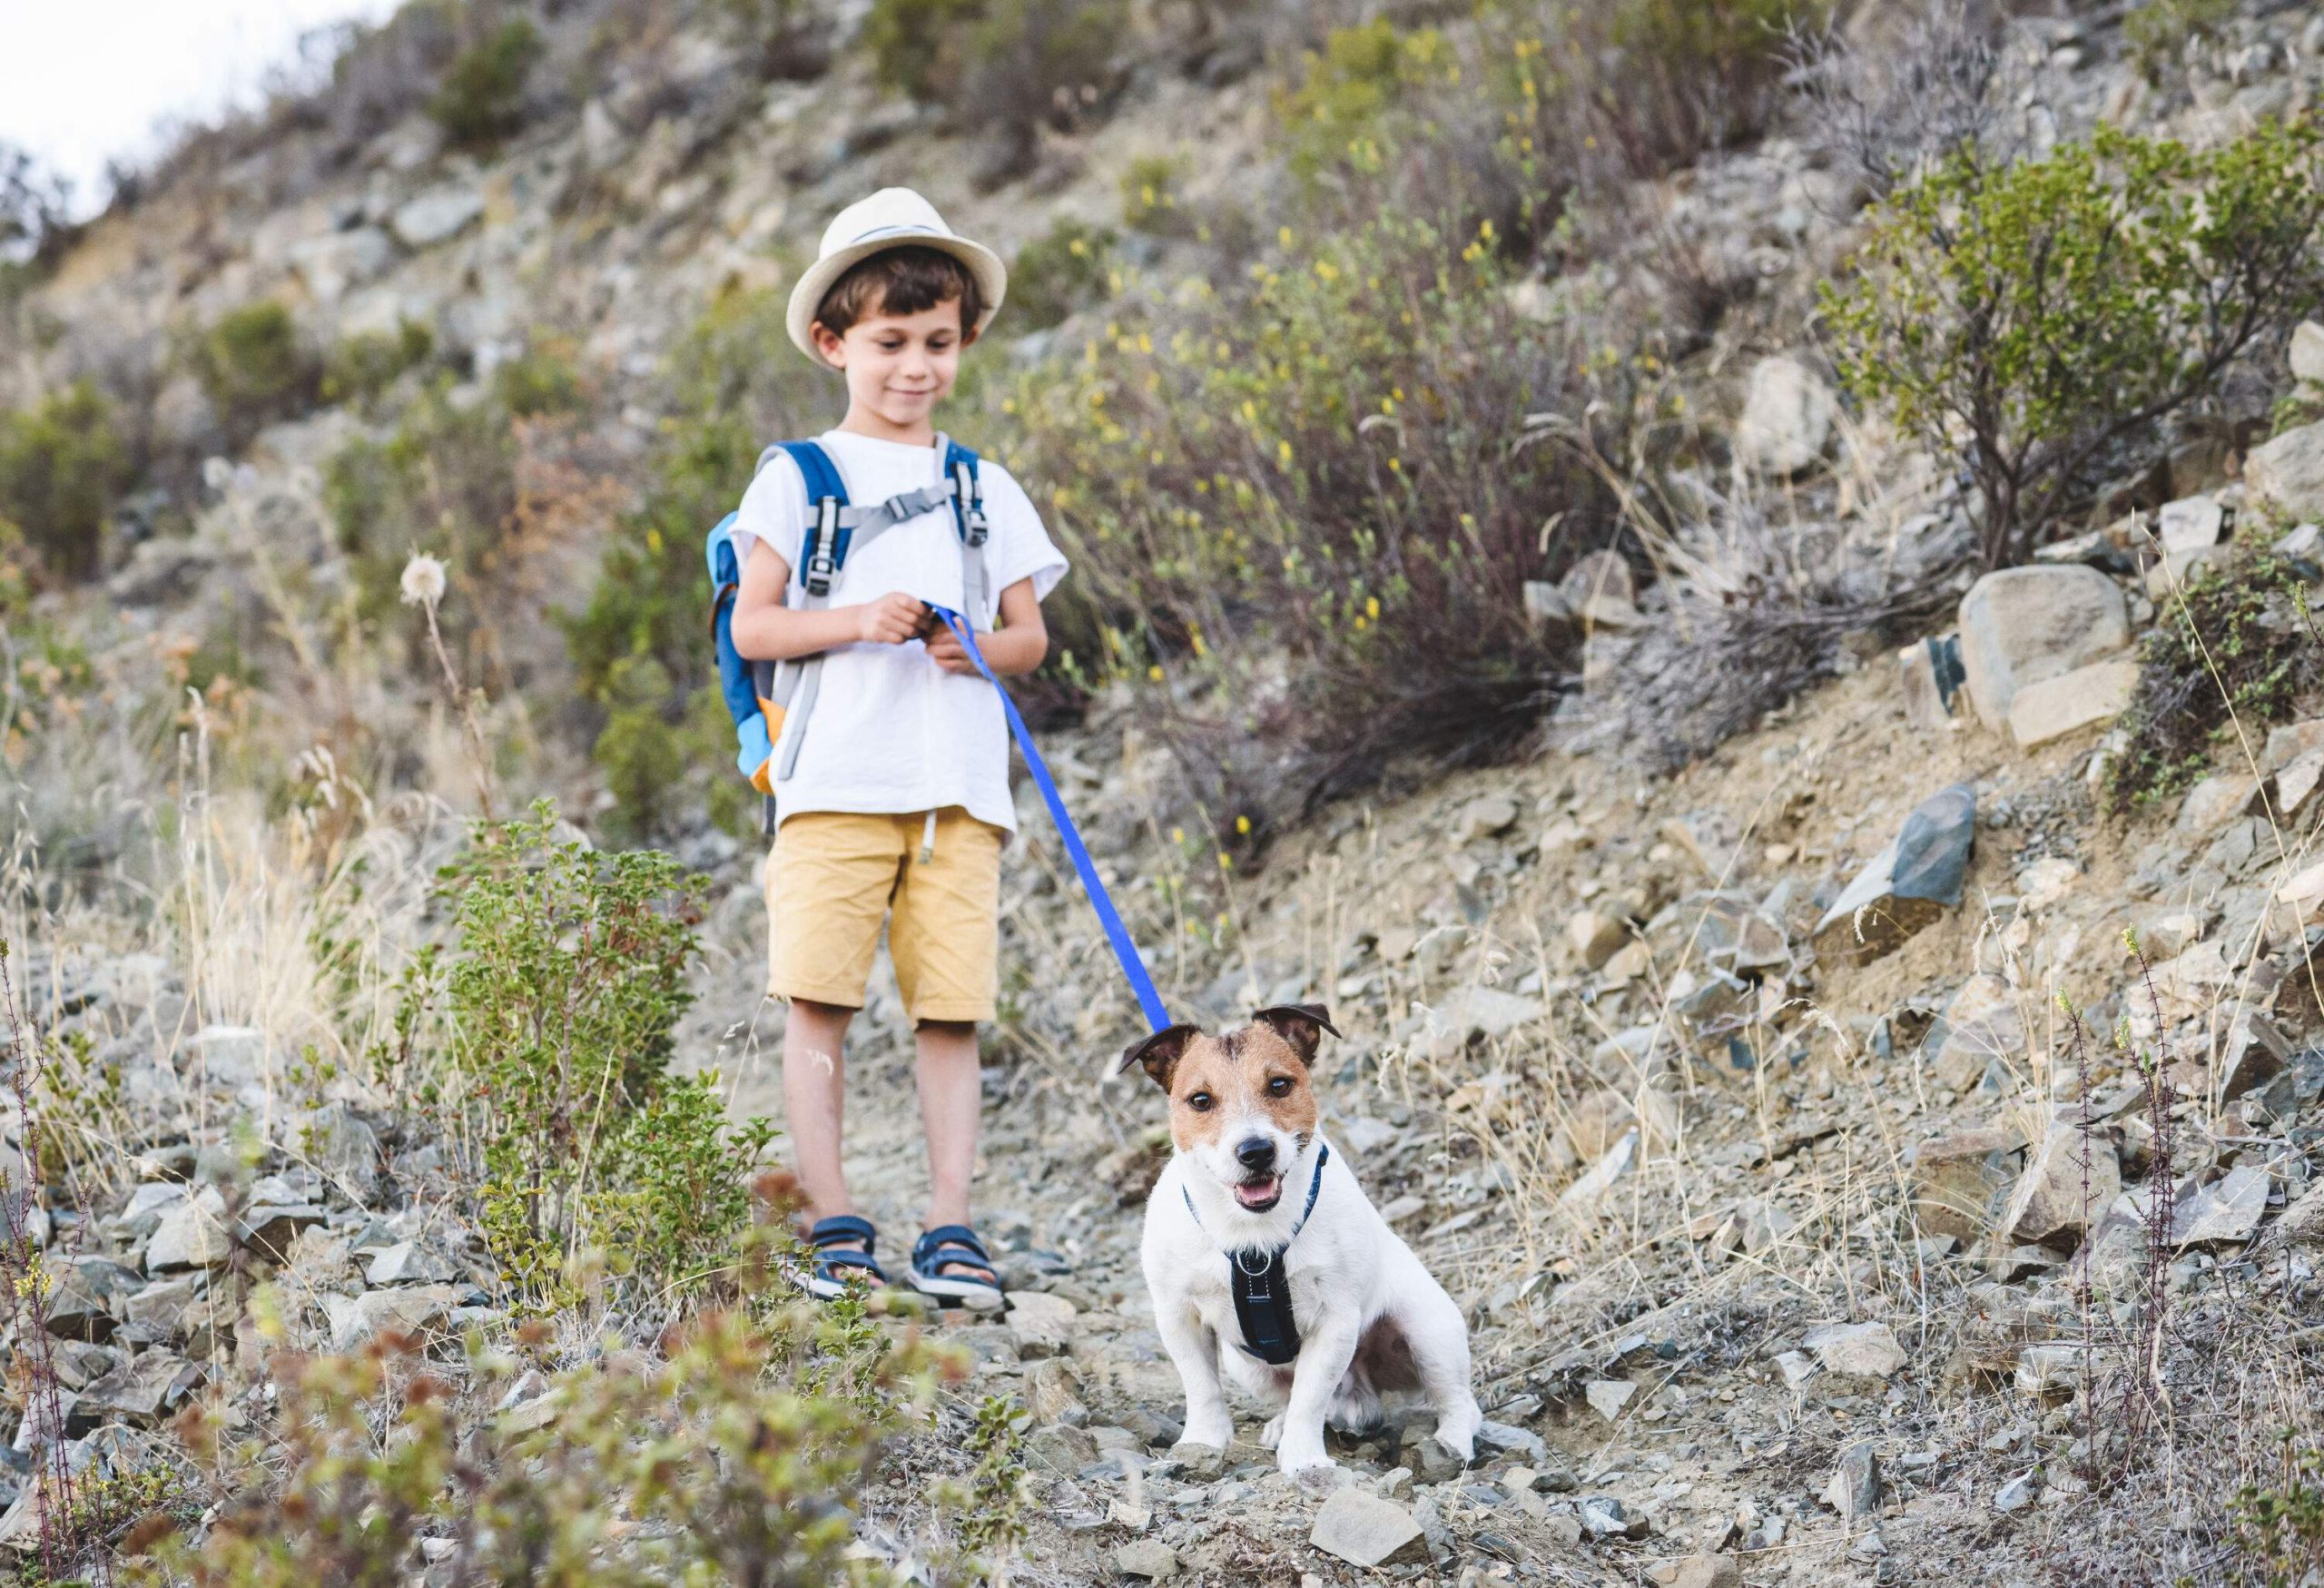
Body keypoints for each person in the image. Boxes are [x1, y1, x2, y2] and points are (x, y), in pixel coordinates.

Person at [726, 188, 1065, 1310]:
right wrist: (854, 621)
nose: (913, 367)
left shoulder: (983, 486)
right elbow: (753, 625)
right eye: (888, 343)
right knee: (819, 1001)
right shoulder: (797, 476)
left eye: (935, 342)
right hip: (830, 787)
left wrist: (982, 647)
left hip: (960, 794)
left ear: (963, 341)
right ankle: (832, 1219)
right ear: (833, 344)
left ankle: (950, 1224)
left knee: (950, 1011)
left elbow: (1031, 636)